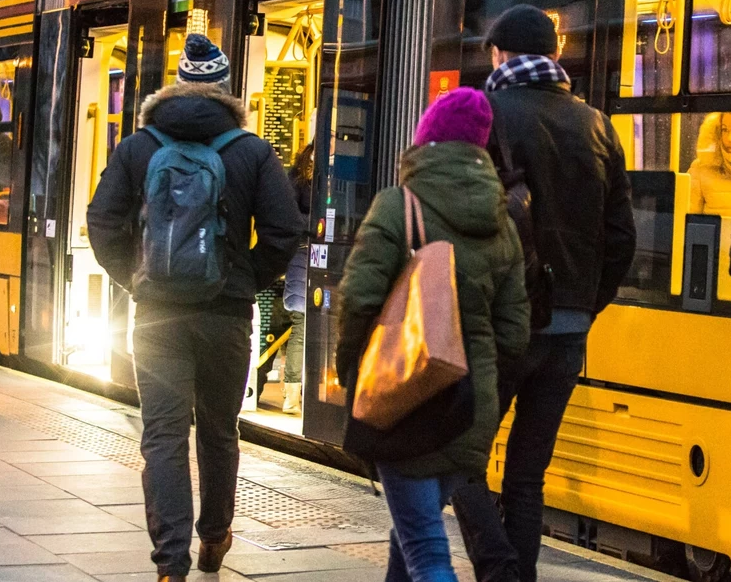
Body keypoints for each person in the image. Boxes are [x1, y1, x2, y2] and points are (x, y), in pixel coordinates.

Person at [86, 34, 302, 582]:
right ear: (226, 90)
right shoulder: (252, 151)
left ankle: (169, 564)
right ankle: (215, 537)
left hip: (156, 313)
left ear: (178, 84)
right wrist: (245, 277)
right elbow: (283, 230)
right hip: (226, 314)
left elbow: (102, 221)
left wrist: (134, 279)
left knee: (162, 432)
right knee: (218, 428)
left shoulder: (139, 147)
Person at [450, 4, 636, 582]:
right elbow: (621, 236)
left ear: (500, 55)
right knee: (528, 477)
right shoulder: (597, 124)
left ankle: (500, 568)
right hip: (568, 331)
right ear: (554, 58)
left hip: (499, 326)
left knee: (460, 458)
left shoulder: (484, 114)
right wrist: (584, 304)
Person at [335, 87, 530, 582]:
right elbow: (513, 333)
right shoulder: (502, 220)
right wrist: (480, 381)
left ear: (426, 140)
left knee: (425, 551)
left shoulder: (399, 206)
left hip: (406, 401)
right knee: (410, 535)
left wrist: (352, 372)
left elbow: (358, 300)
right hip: (468, 407)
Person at [282, 140, 315, 414]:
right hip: (304, 254)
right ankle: (292, 394)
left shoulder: (300, 176)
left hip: (309, 255)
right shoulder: (299, 178)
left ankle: (300, 393)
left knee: (305, 327)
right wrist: (318, 224)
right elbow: (289, 217)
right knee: (302, 326)